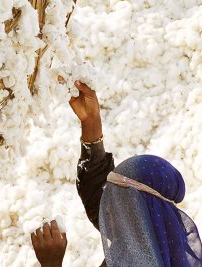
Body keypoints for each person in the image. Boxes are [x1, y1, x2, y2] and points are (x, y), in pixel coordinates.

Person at [69, 81, 202, 266]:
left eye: (116, 201)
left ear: (139, 212)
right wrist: (91, 120)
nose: (106, 208)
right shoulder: (153, 242)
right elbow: (95, 188)